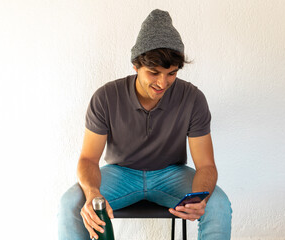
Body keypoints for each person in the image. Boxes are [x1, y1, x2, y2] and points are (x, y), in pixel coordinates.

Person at [58, 9, 232, 240]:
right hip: (120, 173)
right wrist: (91, 194)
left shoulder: (192, 98)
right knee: (70, 202)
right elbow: (88, 159)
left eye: (171, 73)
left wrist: (202, 200)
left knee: (218, 204)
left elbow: (206, 166)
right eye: (154, 73)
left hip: (170, 173)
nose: (163, 83)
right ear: (135, 65)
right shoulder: (106, 97)